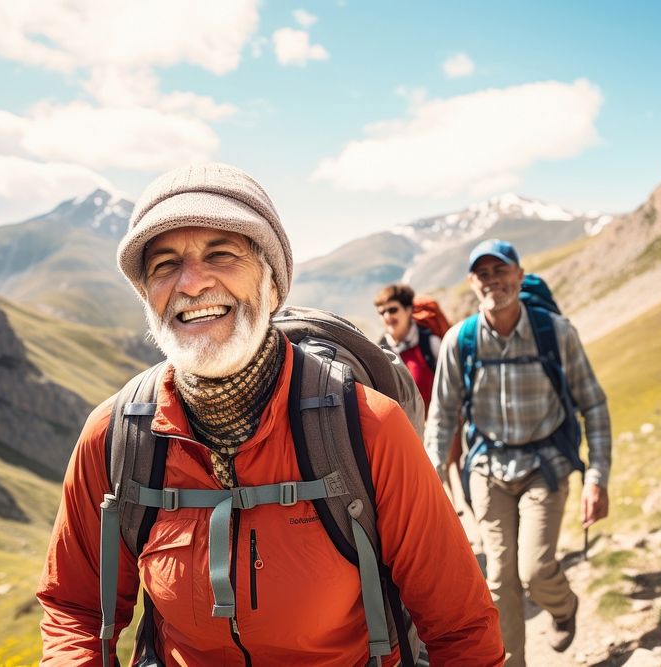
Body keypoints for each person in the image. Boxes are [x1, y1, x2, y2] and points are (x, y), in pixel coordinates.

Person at [37, 163, 504, 665]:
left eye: (222, 253)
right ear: (147, 297)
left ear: (274, 285)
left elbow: (460, 627)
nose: (191, 284)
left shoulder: (366, 428)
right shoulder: (115, 437)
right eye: (164, 265)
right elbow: (75, 608)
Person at [424, 239, 611, 667]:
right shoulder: (461, 341)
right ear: (473, 283)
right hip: (487, 469)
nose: (493, 281)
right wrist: (433, 473)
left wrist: (597, 477)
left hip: (545, 466)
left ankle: (563, 607)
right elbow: (444, 413)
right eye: (483, 274)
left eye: (500, 270)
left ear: (519, 276)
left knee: (535, 570)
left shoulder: (555, 333)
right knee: (498, 580)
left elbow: (593, 404)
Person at [374, 283, 442, 411]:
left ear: (408, 309)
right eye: (382, 312)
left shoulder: (430, 343)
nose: (387, 316)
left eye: (393, 310)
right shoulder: (380, 353)